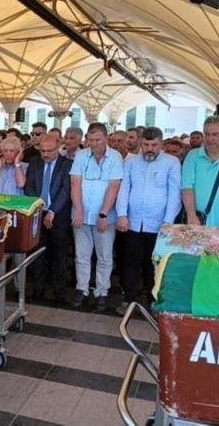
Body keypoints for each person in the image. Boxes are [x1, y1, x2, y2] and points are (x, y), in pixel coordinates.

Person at [115, 127, 181, 315]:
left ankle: (153, 302)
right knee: (131, 263)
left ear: (161, 144)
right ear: (140, 144)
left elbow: (174, 193)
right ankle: (129, 300)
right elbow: (124, 189)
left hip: (159, 225)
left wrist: (168, 221)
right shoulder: (131, 163)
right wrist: (122, 214)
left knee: (154, 265)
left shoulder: (172, 163)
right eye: (146, 144)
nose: (150, 148)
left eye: (154, 145)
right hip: (133, 222)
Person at [70, 122, 124, 312]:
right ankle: (82, 289)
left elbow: (114, 187)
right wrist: (78, 210)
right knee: (81, 255)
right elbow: (75, 183)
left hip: (105, 217)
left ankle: (102, 291)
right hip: (81, 216)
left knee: (105, 256)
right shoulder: (81, 156)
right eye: (91, 140)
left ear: (106, 138)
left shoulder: (115, 157)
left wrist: (103, 213)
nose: (94, 143)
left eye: (98, 139)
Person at [24, 135, 72, 306]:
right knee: (37, 255)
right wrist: (39, 208)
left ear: (58, 147)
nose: (45, 154)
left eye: (50, 151)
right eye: (42, 150)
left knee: (59, 255)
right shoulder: (35, 162)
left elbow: (66, 190)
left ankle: (60, 294)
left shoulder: (67, 164)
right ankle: (38, 291)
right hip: (38, 213)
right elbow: (29, 186)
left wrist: (52, 211)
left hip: (58, 215)